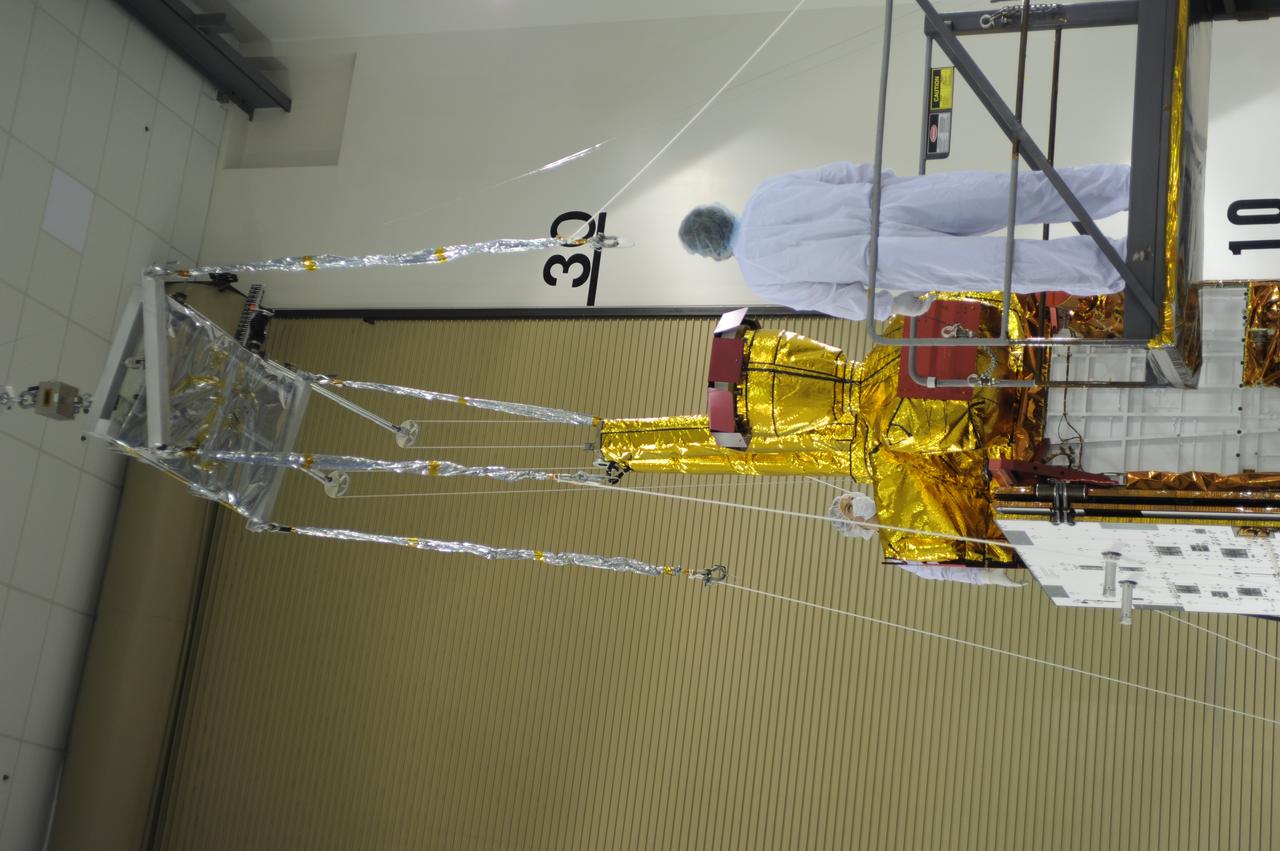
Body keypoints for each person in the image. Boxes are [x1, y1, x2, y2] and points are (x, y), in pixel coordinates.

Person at [678, 161, 1130, 321]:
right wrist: (885, 182)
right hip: (888, 202)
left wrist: (891, 305)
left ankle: (1118, 264)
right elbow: (839, 173)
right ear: (718, 211)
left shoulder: (759, 276)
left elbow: (832, 297)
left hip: (883, 258)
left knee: (1003, 264)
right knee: (1013, 193)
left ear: (710, 253)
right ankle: (1126, 184)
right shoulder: (766, 190)